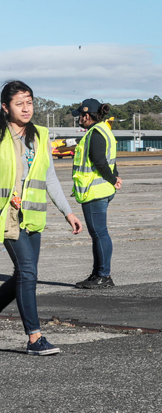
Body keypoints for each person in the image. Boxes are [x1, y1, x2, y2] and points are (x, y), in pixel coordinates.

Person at [0, 80, 83, 356]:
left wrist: (68, 212)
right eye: (19, 103)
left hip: (32, 216)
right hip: (5, 216)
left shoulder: (41, 136)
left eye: (29, 102)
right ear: (6, 107)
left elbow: (50, 178)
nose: (26, 108)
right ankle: (34, 337)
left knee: (23, 274)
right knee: (29, 273)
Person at [72, 99, 121, 289]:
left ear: (87, 115)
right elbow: (111, 160)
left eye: (80, 116)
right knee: (98, 234)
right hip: (101, 190)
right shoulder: (104, 130)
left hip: (95, 191)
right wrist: (115, 177)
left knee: (100, 233)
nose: (78, 119)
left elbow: (100, 161)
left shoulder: (95, 133)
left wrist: (112, 178)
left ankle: (104, 276)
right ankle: (97, 274)